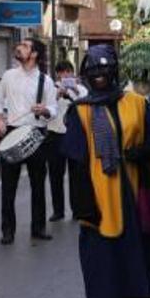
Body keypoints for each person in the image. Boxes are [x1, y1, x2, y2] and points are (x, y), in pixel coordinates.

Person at [61, 44, 150, 298]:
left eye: (105, 72)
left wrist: (138, 152)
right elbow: (76, 163)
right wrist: (84, 208)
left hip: (133, 197)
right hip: (99, 201)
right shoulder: (80, 112)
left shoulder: (138, 104)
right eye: (94, 73)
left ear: (115, 72)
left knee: (137, 258)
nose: (100, 77)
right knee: (105, 263)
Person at [0, 38, 58, 245]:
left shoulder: (45, 81)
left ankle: (38, 228)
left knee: (38, 185)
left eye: (25, 46)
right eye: (20, 45)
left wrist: (45, 110)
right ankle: (7, 231)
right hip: (12, 131)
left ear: (35, 54)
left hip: (36, 134)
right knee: (8, 187)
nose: (19, 48)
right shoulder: (8, 76)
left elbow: (54, 109)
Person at [46, 60, 88, 221]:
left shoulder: (81, 88)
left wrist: (74, 89)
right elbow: (48, 109)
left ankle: (77, 210)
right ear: (57, 74)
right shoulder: (51, 89)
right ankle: (58, 211)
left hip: (74, 135)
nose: (65, 75)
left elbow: (85, 103)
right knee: (55, 175)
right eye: (62, 73)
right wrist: (57, 95)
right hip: (55, 134)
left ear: (72, 72)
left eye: (68, 72)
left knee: (76, 175)